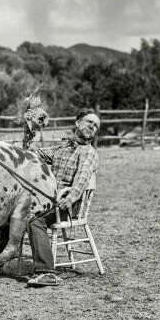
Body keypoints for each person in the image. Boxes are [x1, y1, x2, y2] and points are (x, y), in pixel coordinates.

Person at [27, 109, 100, 287]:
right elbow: (35, 153)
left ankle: (46, 272)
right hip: (51, 201)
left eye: (96, 125)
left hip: (68, 205)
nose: (92, 126)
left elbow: (81, 180)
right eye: (89, 122)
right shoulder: (63, 148)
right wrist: (28, 131)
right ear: (77, 123)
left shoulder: (88, 153)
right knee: (16, 210)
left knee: (34, 222)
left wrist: (69, 199)